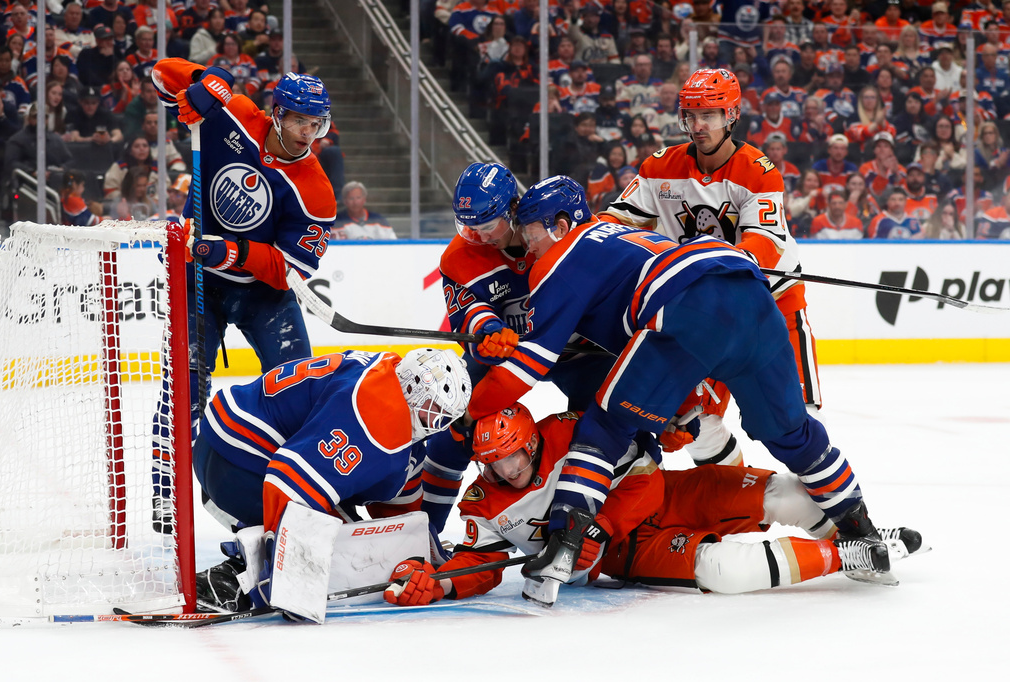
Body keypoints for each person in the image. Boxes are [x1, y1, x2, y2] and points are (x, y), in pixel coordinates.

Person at [467, 174, 889, 590]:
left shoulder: (557, 259)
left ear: (560, 225)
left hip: (688, 305)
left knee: (606, 426)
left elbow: (529, 365)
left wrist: (471, 409)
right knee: (792, 434)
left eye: (531, 230)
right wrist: (672, 407)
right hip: (753, 298)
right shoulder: (618, 234)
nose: (526, 243)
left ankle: (563, 544)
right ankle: (860, 528)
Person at [384, 404, 924, 607]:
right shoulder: (481, 500)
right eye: (491, 463)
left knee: (784, 491)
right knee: (722, 570)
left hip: (668, 492)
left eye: (510, 457)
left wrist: (598, 524)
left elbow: (642, 477)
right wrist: (445, 583)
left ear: (529, 441)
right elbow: (481, 562)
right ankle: (844, 559)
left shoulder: (571, 434)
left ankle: (861, 541)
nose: (504, 471)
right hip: (632, 552)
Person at [147, 58, 337, 530]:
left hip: (263, 297)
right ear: (277, 113)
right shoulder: (234, 116)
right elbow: (161, 72)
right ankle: (166, 489)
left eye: (316, 123)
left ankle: (298, 490)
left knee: (299, 390)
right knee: (184, 389)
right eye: (297, 120)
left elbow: (286, 269)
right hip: (200, 282)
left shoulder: (316, 191)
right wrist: (208, 85)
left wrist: (228, 251)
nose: (306, 132)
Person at [599, 69, 826, 417]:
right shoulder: (659, 167)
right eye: (690, 115)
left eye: (708, 115)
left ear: (731, 115)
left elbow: (763, 242)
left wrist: (713, 268)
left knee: (800, 416)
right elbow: (616, 222)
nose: (698, 125)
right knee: (698, 425)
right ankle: (743, 475)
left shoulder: (758, 172)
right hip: (709, 312)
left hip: (772, 301)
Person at [191, 348, 472, 613]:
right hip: (240, 463)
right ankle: (231, 580)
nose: (434, 419)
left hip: (223, 445)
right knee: (350, 558)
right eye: (430, 407)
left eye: (442, 414)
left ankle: (248, 530)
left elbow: (401, 517)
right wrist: (293, 578)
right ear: (410, 388)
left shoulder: (387, 376)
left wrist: (420, 557)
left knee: (364, 542)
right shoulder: (377, 412)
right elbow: (288, 483)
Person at [421, 162, 617, 532]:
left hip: (577, 352)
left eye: (485, 225)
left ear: (512, 209)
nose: (476, 237)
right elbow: (467, 313)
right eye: (468, 227)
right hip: (508, 353)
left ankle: (609, 520)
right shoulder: (458, 257)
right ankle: (424, 531)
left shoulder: (547, 230)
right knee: (455, 428)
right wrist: (487, 333)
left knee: (610, 423)